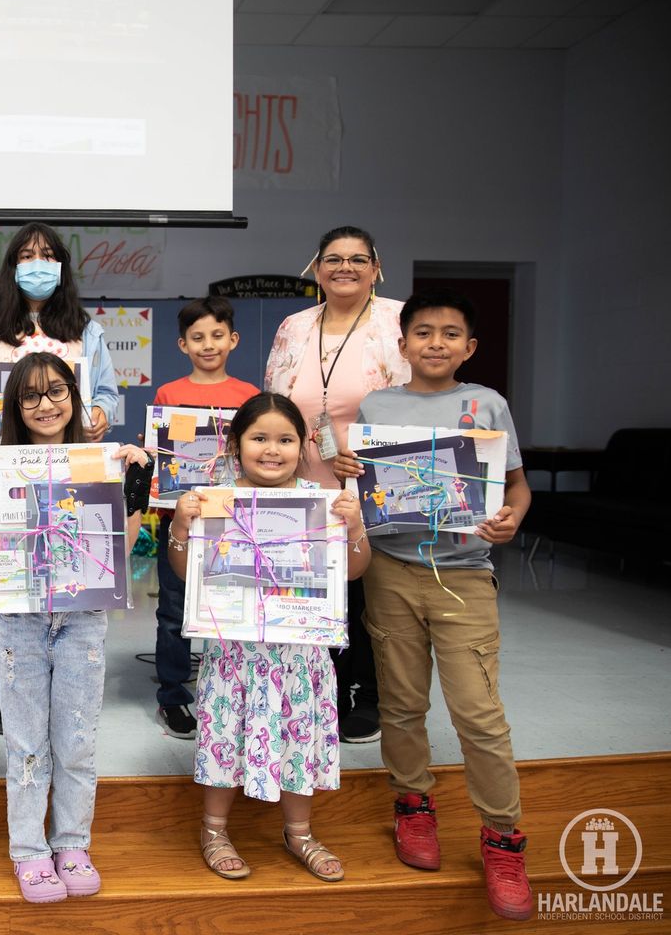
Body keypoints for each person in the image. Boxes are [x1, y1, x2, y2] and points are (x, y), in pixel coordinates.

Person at [333, 290, 533, 921]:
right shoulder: (378, 405)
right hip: (391, 571)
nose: (436, 343)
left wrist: (510, 521)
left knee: (478, 712)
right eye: (423, 332)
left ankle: (503, 838)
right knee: (401, 702)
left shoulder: (487, 404)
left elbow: (516, 486)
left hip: (465, 573)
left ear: (470, 347)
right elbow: (363, 488)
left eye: (451, 334)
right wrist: (348, 468)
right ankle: (412, 807)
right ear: (404, 345)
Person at [0, 353, 147, 903]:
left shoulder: (99, 460)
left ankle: (72, 842)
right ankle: (30, 850)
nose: (46, 404)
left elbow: (123, 550)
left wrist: (134, 484)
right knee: (26, 740)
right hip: (18, 620)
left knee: (78, 740)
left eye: (57, 391)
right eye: (31, 395)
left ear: (75, 396)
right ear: (14, 405)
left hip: (84, 619)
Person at [166, 392, 369, 884]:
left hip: (302, 656)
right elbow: (184, 573)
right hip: (235, 655)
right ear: (236, 444)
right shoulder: (216, 499)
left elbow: (355, 571)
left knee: (299, 740)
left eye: (286, 439)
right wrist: (180, 523)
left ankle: (299, 832)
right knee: (224, 741)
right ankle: (213, 830)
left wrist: (356, 525)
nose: (272, 449)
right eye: (259, 438)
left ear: (304, 446)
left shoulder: (323, 504)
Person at [0, 223, 120, 733]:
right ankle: (7, 692)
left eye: (46, 255)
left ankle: (69, 683)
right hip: (4, 468)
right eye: (26, 255)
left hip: (71, 467)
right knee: (8, 578)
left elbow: (106, 391)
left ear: (61, 265)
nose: (36, 263)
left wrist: (102, 411)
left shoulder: (86, 329)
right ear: (12, 266)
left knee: (69, 568)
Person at [264, 225, 409, 745]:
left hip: (376, 487)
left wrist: (374, 457)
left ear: (376, 266)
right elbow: (272, 402)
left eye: (356, 258)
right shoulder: (293, 325)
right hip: (303, 483)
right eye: (332, 258)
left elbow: (420, 405)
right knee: (316, 597)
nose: (344, 267)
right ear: (315, 267)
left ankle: (367, 697)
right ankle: (323, 692)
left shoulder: (397, 321)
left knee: (369, 597)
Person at [148, 295, 259, 739]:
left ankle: (240, 687)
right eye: (197, 337)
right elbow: (162, 459)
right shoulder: (169, 395)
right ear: (182, 344)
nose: (207, 344)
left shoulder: (249, 396)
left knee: (236, 606)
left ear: (232, 339)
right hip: (182, 520)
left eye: (217, 335)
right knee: (173, 609)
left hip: (233, 521)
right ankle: (173, 695)